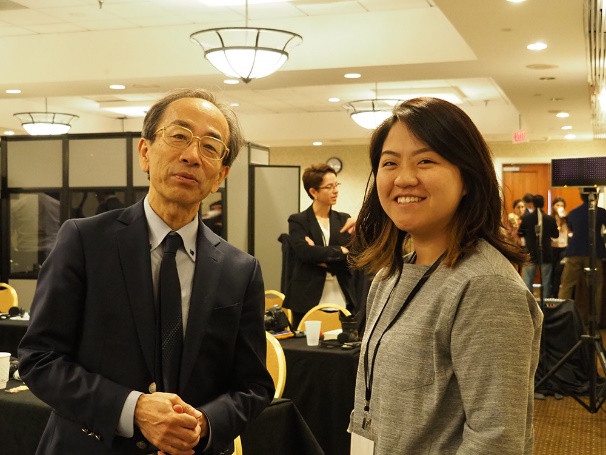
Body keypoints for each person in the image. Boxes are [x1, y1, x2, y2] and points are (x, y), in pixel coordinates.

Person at [18, 88, 274, 455]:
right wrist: (134, 409)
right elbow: (40, 358)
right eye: (179, 136)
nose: (191, 155)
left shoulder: (240, 269)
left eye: (210, 146)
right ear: (145, 153)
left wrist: (204, 423)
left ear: (221, 175)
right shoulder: (84, 242)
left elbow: (254, 386)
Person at [348, 97, 542, 454]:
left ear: (467, 178)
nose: (404, 178)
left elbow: (495, 440)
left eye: (426, 161)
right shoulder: (389, 277)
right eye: (390, 163)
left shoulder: (486, 287)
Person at [282, 163, 356, 327]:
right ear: (313, 192)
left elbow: (352, 257)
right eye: (329, 187)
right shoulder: (298, 220)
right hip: (307, 296)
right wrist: (340, 251)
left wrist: (319, 255)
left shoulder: (344, 219)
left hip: (340, 292)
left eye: (336, 185)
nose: (335, 191)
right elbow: (304, 253)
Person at [558, 190, 606, 324]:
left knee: (567, 285)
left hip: (575, 252)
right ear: (596, 197)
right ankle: (594, 320)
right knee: (596, 287)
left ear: (581, 196)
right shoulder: (601, 212)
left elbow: (572, 227)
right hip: (594, 252)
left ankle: (561, 317)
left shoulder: (574, 212)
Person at [518, 194, 559, 298]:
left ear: (533, 204)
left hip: (530, 253)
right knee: (546, 281)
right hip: (546, 253)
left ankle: (529, 303)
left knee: (528, 280)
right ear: (544, 204)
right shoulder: (550, 219)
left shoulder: (526, 218)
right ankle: (545, 304)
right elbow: (556, 235)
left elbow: (520, 233)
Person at [550, 197, 569, 298]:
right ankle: (552, 292)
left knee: (559, 270)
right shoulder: (551, 218)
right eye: (557, 205)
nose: (560, 207)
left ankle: (556, 293)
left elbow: (572, 228)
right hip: (552, 247)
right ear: (553, 206)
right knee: (552, 270)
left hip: (563, 247)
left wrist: (565, 218)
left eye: (562, 205)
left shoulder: (566, 219)